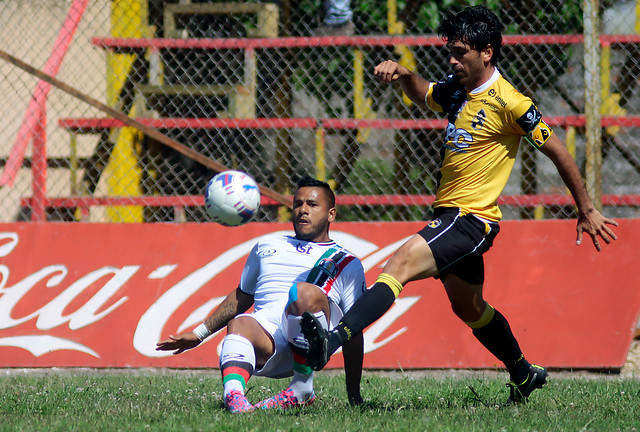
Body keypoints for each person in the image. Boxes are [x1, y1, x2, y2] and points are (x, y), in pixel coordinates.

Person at [301, 5, 619, 405]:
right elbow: (426, 94)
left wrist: (586, 208)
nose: (452, 59)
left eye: (460, 52)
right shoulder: (456, 89)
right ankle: (522, 372)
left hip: (470, 219)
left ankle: (330, 342)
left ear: (487, 52)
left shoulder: (511, 103)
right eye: (449, 51)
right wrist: (403, 75)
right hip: (449, 217)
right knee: (469, 308)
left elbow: (556, 150)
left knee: (397, 265)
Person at [156, 176, 366, 413]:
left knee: (302, 292)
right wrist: (199, 334)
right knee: (240, 322)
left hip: (310, 348)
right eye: (298, 204)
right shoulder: (266, 245)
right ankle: (235, 399)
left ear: (331, 214)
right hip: (268, 340)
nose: (303, 210)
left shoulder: (347, 262)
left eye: (312, 204)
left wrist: (354, 394)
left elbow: (354, 329)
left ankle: (302, 388)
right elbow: (243, 296)